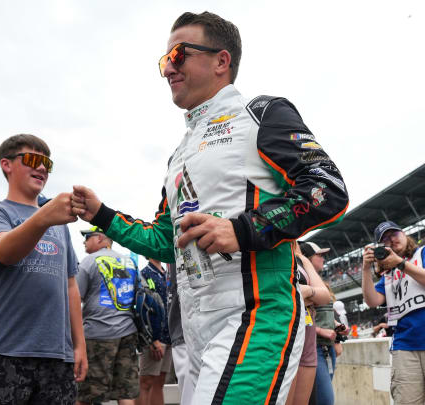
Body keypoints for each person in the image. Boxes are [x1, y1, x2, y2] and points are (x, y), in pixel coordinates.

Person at [71, 11, 349, 404]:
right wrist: (103, 216)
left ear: (222, 61)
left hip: (256, 315)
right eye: (164, 61)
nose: (168, 68)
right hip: (196, 327)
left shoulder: (261, 113)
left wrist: (242, 229)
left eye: (178, 55)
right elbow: (168, 241)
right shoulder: (179, 154)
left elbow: (328, 188)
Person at [0, 134, 87, 404]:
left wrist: (79, 345)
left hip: (57, 357)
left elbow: (71, 285)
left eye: (47, 162)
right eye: (33, 159)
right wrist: (43, 219)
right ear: (6, 164)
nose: (42, 168)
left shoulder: (59, 224)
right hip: (5, 352)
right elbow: (5, 252)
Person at [362, 221, 425, 404]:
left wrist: (400, 263)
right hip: (404, 346)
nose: (392, 240)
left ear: (404, 234)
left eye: (394, 234)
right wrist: (366, 269)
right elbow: (372, 301)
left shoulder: (422, 253)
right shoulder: (388, 275)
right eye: (386, 239)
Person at [76, 226, 139, 405]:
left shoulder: (89, 262)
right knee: (125, 392)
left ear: (100, 238)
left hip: (97, 334)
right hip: (128, 332)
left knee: (88, 394)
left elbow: (75, 298)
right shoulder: (128, 262)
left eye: (87, 237)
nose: (84, 241)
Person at [285, 242, 330, 405]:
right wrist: (310, 296)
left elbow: (325, 296)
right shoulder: (268, 250)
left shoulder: (301, 259)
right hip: (286, 336)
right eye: (320, 255)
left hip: (307, 336)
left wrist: (308, 292)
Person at [300, 242, 337, 405]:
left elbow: (323, 313)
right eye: (319, 255)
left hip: (327, 347)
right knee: (324, 400)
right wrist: (321, 331)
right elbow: (304, 318)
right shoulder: (302, 282)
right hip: (314, 346)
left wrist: (336, 328)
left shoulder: (322, 285)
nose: (323, 258)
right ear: (308, 258)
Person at [137, 258, 172, 405]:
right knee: (145, 382)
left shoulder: (166, 273)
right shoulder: (144, 274)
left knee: (160, 381)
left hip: (169, 335)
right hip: (154, 337)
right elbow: (142, 308)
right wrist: (152, 339)